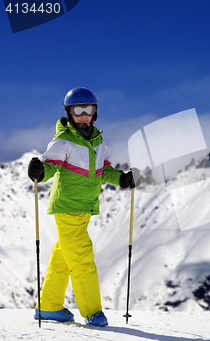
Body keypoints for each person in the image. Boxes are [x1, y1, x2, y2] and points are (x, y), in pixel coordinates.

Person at [27, 87, 136, 327]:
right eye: (78, 110)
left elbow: (103, 170)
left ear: (95, 113)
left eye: (89, 109)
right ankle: (92, 312)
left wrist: (121, 178)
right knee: (83, 257)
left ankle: (49, 305)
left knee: (64, 255)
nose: (84, 115)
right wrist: (40, 171)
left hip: (85, 208)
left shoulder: (98, 142)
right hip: (67, 206)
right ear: (69, 112)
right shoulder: (63, 141)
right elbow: (50, 165)